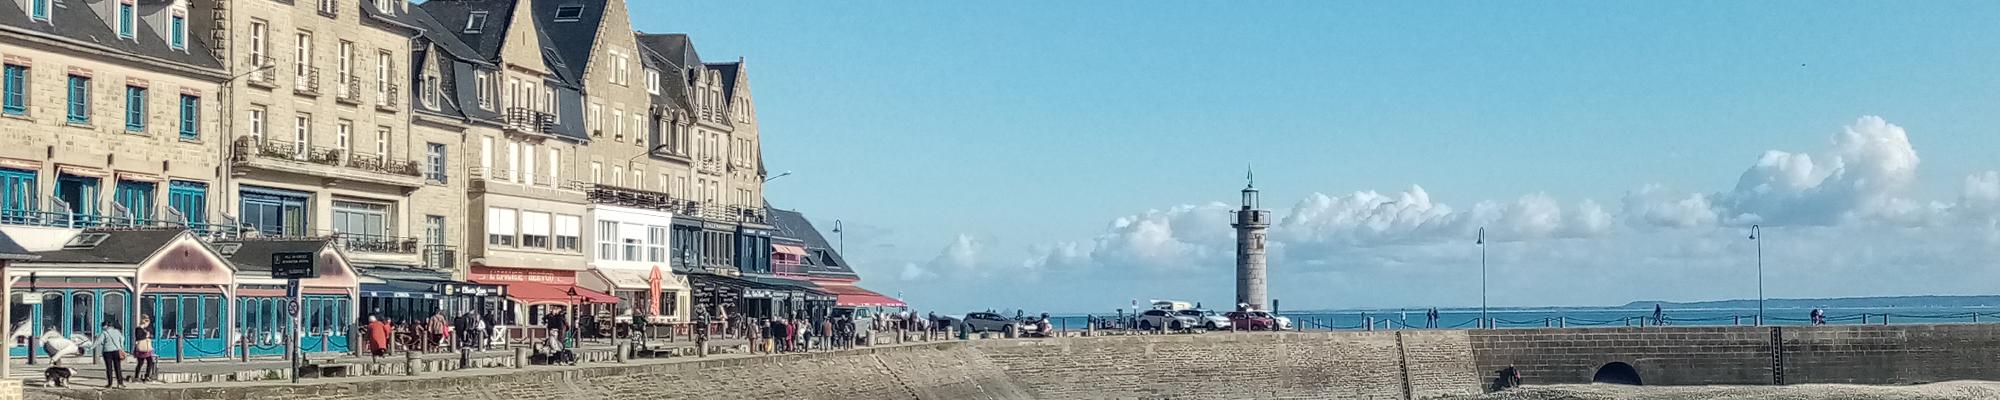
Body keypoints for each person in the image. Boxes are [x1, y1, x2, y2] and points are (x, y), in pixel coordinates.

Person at [97, 322, 128, 388]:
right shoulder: (117, 331)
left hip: (107, 352)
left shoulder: (104, 333)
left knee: (109, 368)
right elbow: (122, 339)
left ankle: (110, 384)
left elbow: (99, 341)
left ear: (107, 326)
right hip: (116, 351)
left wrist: (90, 347)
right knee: (118, 367)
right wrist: (121, 347)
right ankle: (120, 383)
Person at [131, 315, 157, 383]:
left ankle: (147, 376)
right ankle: (136, 376)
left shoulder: (145, 330)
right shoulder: (138, 329)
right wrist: (146, 335)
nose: (148, 325)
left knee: (150, 361)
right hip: (141, 348)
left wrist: (149, 336)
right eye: (147, 323)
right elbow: (139, 337)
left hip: (147, 348)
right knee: (140, 363)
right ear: (144, 322)